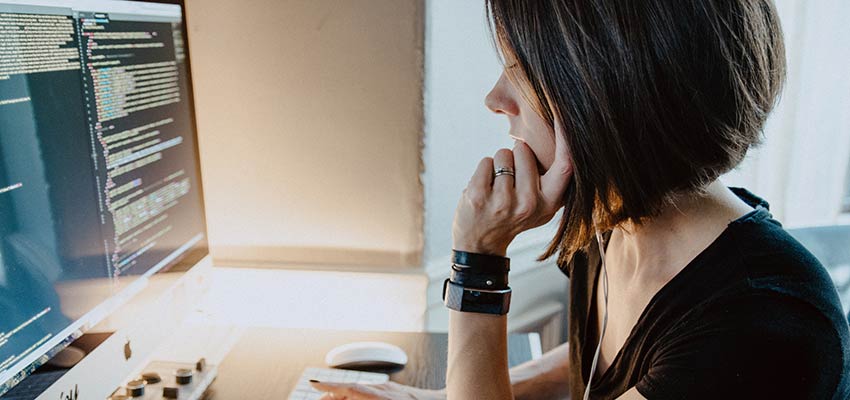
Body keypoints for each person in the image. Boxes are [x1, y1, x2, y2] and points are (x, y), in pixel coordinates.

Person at [312, 0, 850, 398]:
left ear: (609, 95)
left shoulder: (760, 328)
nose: (495, 99)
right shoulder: (615, 222)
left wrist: (478, 258)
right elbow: (611, 360)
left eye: (521, 72)